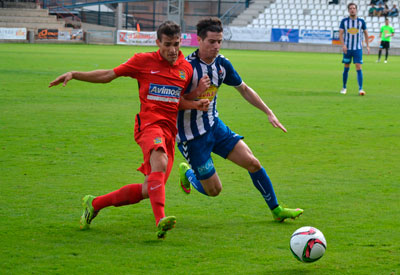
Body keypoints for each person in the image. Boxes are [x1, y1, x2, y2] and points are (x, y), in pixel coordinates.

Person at [48, 21, 209, 239]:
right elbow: (109, 75)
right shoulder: (143, 61)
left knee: (149, 189)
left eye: (176, 44)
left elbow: (176, 100)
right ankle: (160, 220)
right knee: (159, 161)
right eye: (168, 44)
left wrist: (196, 100)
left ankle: (94, 203)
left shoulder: (185, 69)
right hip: (149, 125)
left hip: (170, 131)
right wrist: (76, 74)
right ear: (157, 43)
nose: (173, 50)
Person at [176, 17, 303, 223]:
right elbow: (173, 101)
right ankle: (189, 174)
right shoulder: (186, 68)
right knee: (214, 190)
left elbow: (243, 89)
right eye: (211, 42)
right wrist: (197, 93)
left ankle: (276, 209)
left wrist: (268, 112)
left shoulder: (222, 64)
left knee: (253, 163)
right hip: (192, 137)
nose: (216, 46)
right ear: (198, 40)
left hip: (215, 127)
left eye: (219, 41)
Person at [339, 3, 370, 96]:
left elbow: (366, 33)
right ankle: (344, 87)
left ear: (356, 10)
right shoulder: (344, 21)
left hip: (357, 49)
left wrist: (367, 46)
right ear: (348, 10)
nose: (352, 10)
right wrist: (343, 45)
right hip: (347, 49)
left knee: (358, 67)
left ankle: (361, 89)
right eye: (350, 8)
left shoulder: (361, 21)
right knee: (346, 67)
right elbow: (340, 34)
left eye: (354, 8)